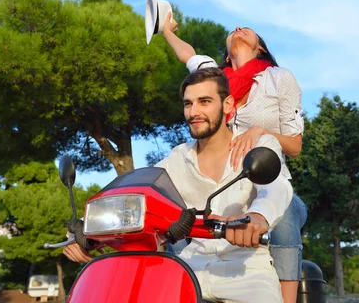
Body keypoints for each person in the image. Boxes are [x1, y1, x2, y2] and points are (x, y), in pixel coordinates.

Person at [65, 67, 293, 303]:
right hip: (189, 269)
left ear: (227, 105)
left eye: (204, 102)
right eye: (188, 104)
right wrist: (83, 231)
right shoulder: (175, 161)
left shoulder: (257, 146)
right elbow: (132, 194)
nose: (194, 112)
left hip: (247, 270)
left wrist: (258, 217)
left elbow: (276, 187)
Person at [162, 13, 307, 303]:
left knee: (284, 214)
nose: (239, 28)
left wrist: (259, 132)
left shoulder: (279, 79)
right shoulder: (215, 77)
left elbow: (295, 146)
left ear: (261, 48)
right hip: (222, 185)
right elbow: (188, 55)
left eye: (248, 30)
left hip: (265, 175)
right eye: (190, 103)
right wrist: (165, 30)